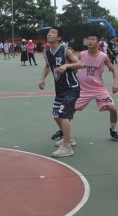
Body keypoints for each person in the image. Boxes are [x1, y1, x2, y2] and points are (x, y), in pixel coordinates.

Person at [39, 26, 84, 158]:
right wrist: (42, 79)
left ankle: (67, 147)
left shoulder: (65, 50)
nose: (49, 34)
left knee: (63, 114)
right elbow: (47, 66)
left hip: (72, 87)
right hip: (59, 89)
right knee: (55, 114)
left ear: (59, 37)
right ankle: (68, 138)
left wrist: (66, 65)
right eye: (49, 32)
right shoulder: (47, 52)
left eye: (53, 33)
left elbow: (80, 64)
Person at [76, 33, 118, 143]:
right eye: (89, 39)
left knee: (113, 109)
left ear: (98, 43)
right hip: (83, 89)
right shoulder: (82, 54)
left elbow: (114, 70)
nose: (90, 41)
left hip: (98, 88)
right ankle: (63, 131)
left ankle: (113, 131)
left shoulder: (103, 56)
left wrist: (116, 83)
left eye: (93, 39)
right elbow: (74, 68)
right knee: (70, 111)